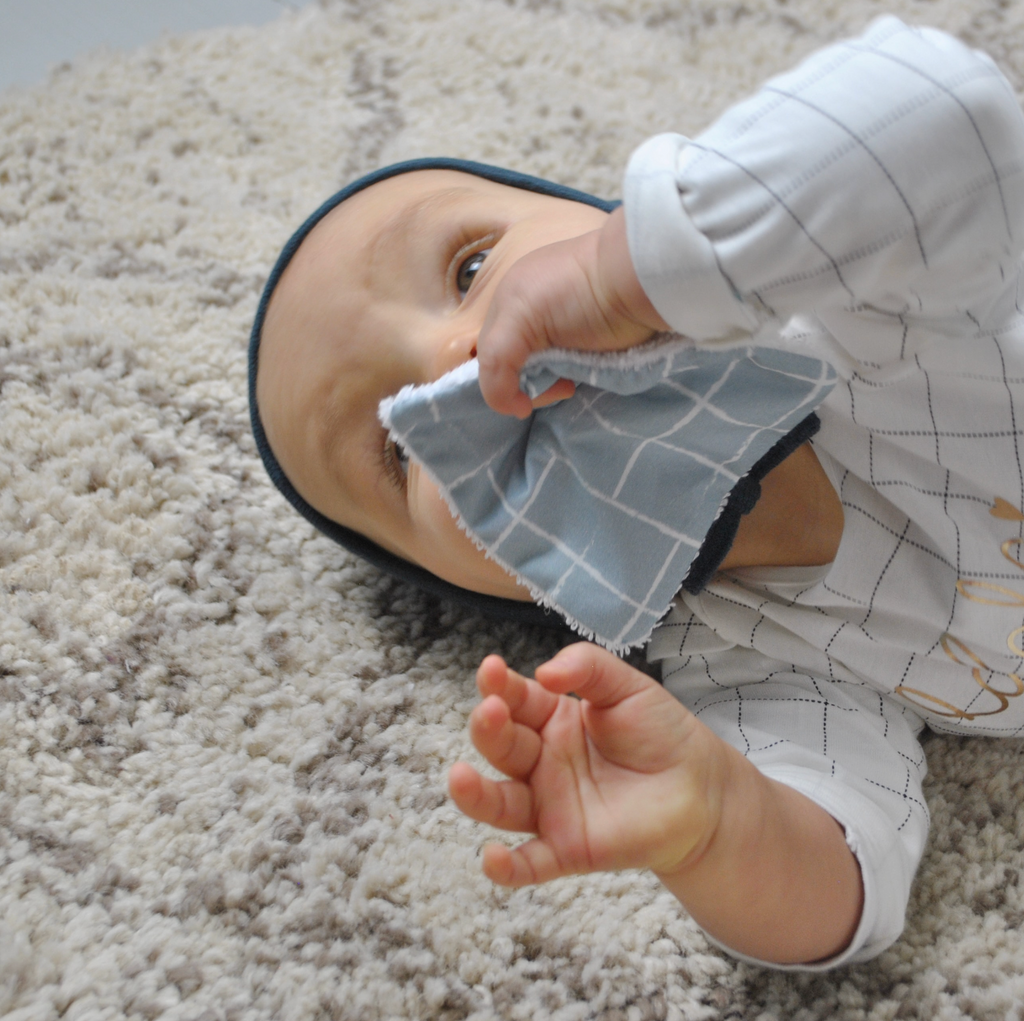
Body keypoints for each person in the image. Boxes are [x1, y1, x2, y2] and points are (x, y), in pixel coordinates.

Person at [248, 16, 1024, 969]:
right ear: (491, 589)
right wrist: (719, 827)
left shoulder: (856, 292)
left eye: (472, 268)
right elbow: (847, 871)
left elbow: (947, 112)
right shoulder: (743, 661)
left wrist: (642, 274)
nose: (456, 359)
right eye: (405, 447)